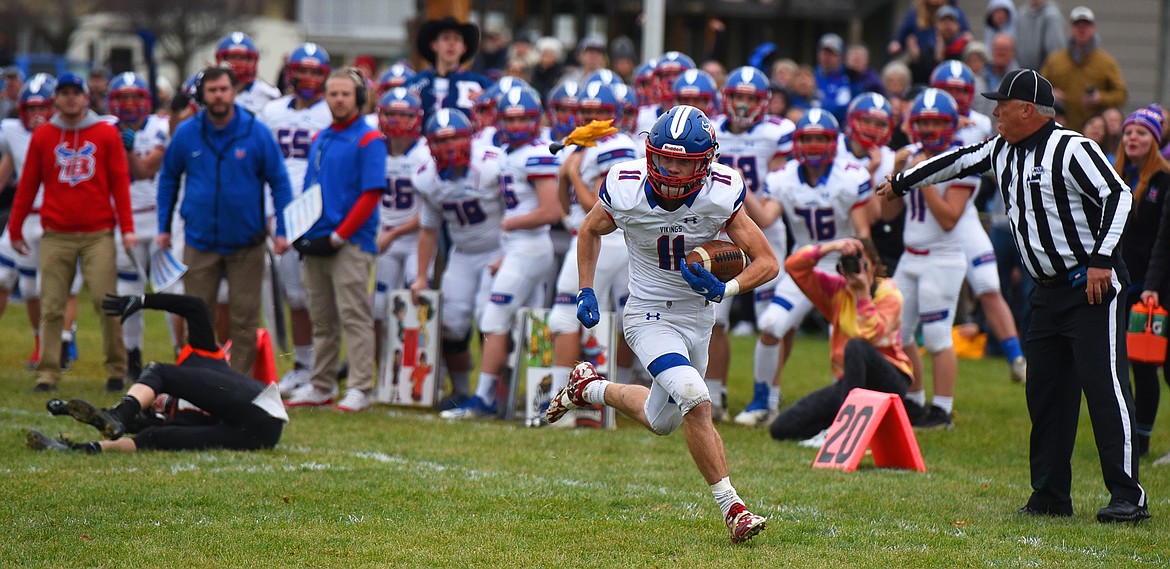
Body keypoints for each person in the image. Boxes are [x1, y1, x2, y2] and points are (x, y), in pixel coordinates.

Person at [878, 68, 1149, 523]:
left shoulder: (1073, 147)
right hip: (1044, 292)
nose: (994, 111)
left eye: (1001, 104)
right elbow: (957, 161)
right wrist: (903, 181)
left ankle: (1128, 495)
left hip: (1090, 285)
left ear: (1028, 110)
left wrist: (1102, 259)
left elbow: (1119, 198)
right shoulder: (1002, 148)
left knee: (1105, 389)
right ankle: (1049, 494)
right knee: (1044, 394)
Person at [546, 104, 777, 543]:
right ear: (650, 152)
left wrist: (725, 290)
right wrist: (585, 287)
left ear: (705, 162)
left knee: (663, 420)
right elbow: (590, 230)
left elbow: (767, 262)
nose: (670, 168)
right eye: (664, 157)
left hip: (698, 315)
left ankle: (587, 388)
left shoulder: (720, 192)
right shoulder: (625, 186)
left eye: (683, 161)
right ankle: (734, 509)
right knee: (695, 396)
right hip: (648, 314)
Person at [156, 66, 294, 377]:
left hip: (247, 243)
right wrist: (164, 228)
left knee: (244, 319)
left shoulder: (256, 132)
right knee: (198, 315)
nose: (218, 96)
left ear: (234, 92)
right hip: (200, 240)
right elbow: (168, 179)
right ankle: (199, 384)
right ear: (202, 95)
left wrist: (283, 231)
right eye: (212, 90)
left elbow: (280, 182)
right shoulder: (187, 133)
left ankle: (237, 386)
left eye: (224, 89)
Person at [738, 109, 873, 427]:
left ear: (833, 142)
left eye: (819, 139)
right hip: (804, 267)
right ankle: (764, 402)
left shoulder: (851, 175)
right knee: (771, 326)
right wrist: (740, 189)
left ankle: (849, 411)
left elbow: (862, 232)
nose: (813, 146)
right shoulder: (783, 177)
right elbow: (767, 218)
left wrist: (865, 273)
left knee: (845, 343)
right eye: (807, 139)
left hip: (842, 268)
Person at [26, 293, 287, 453]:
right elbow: (144, 430)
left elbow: (194, 306)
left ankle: (119, 412)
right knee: (155, 437)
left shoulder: (201, 358)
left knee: (157, 369)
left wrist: (144, 301)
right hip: (257, 436)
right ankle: (78, 450)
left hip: (259, 405)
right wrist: (67, 409)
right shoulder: (164, 415)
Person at [7, 72, 136, 392]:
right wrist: (15, 225)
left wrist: (127, 228)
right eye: (63, 93)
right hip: (56, 232)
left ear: (85, 96)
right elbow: (27, 185)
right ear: (56, 99)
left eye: (75, 92)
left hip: (98, 232)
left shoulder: (106, 134)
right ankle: (48, 372)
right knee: (51, 304)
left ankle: (117, 368)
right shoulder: (43, 136)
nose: (70, 98)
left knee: (106, 301)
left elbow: (120, 183)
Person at [440, 86, 562, 420]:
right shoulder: (509, 153)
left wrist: (511, 223)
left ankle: (485, 399)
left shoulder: (535, 155)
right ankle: (519, 398)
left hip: (532, 248)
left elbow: (551, 211)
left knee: (496, 318)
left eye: (524, 118)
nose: (518, 124)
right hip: (518, 250)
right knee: (515, 322)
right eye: (511, 118)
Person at [283, 70, 387, 412]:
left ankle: (360, 386)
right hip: (318, 239)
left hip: (351, 242)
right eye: (332, 94)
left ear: (358, 98)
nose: (338, 100)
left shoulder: (370, 139)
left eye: (345, 94)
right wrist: (301, 232)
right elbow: (312, 191)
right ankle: (321, 383)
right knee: (322, 318)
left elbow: (371, 194)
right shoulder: (322, 138)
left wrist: (340, 235)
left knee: (354, 315)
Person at [882, 89, 977, 429]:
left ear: (951, 124)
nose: (931, 128)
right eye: (924, 122)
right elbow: (887, 212)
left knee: (937, 336)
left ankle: (943, 409)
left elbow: (950, 217)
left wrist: (920, 179)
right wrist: (896, 173)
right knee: (899, 334)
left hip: (944, 257)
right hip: (911, 257)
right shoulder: (909, 156)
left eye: (938, 121)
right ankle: (915, 399)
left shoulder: (962, 160)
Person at [929, 61, 1028, 383]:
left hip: (964, 210)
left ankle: (1016, 358)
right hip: (926, 217)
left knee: (988, 284)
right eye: (949, 89)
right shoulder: (921, 114)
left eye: (960, 90)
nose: (955, 96)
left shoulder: (981, 122)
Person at [546, 82, 638, 423]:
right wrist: (564, 174)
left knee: (564, 317)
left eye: (599, 112)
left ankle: (562, 405)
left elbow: (603, 210)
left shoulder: (616, 146)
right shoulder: (583, 147)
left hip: (605, 239)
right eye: (585, 112)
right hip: (585, 238)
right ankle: (604, 400)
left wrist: (573, 174)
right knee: (610, 319)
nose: (590, 118)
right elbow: (563, 208)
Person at [711, 66, 793, 421]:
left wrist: (742, 189)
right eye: (738, 97)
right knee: (714, 317)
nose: (743, 105)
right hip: (720, 230)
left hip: (763, 230)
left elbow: (774, 195)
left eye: (750, 98)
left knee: (772, 319)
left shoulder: (778, 132)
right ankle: (714, 394)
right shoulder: (710, 128)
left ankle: (768, 396)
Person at [769, 238, 912, 441]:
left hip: (890, 381)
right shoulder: (838, 291)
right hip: (850, 383)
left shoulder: (890, 294)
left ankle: (843, 429)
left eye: (860, 262)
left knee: (856, 346)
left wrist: (863, 294)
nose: (855, 269)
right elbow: (794, 266)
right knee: (782, 428)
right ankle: (834, 426)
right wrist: (832, 247)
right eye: (848, 264)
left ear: (874, 265)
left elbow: (870, 335)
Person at [410, 108, 505, 410]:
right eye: (440, 141)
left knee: (488, 319)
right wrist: (422, 275)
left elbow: (515, 208)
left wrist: (509, 254)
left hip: (498, 248)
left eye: (455, 139)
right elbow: (428, 230)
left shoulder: (493, 164)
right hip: (462, 254)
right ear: (429, 145)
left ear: (470, 138)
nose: (448, 148)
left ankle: (493, 395)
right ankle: (461, 391)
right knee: (450, 323)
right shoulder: (426, 178)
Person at [259, 43, 334, 397]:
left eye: (315, 71)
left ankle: (323, 366)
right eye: (301, 70)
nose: (307, 78)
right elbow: (261, 164)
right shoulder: (272, 111)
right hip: (282, 211)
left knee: (321, 295)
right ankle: (303, 364)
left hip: (319, 212)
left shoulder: (332, 111)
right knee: (294, 295)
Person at [0, 74, 86, 371]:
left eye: (42, 107)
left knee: (59, 287)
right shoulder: (12, 131)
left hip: (58, 218)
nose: (36, 115)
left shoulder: (74, 129)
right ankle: (42, 344)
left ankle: (62, 340)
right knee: (17, 283)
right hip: (24, 217)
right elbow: (9, 164)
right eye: (30, 108)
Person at [108, 72, 177, 377]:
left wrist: (128, 150)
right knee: (128, 291)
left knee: (172, 291)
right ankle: (132, 355)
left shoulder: (159, 127)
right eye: (123, 98)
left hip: (158, 218)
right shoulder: (105, 129)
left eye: (135, 97)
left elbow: (146, 171)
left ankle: (182, 353)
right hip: (125, 220)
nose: (130, 104)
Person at [1112, 105, 1170, 458]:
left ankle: (1143, 438)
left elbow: (1162, 239)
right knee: (1120, 363)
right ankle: (1127, 433)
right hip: (1118, 281)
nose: (1133, 137)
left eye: (1142, 133)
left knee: (1146, 363)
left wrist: (1153, 282)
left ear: (1155, 140)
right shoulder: (1113, 174)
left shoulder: (1164, 181)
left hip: (1151, 286)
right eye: (1129, 131)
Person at [371, 88, 430, 380]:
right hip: (383, 240)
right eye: (391, 114)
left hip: (415, 241)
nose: (396, 120)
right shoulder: (373, 149)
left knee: (416, 309)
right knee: (378, 309)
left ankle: (421, 372)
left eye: (404, 115)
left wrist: (393, 233)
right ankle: (383, 372)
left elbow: (430, 212)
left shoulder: (425, 153)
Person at [1040, 7, 1127, 137]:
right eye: (1077, 25)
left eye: (1086, 25)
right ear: (1070, 29)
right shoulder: (1055, 60)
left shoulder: (1106, 62)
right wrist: (1050, 93)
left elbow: (1121, 94)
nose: (1082, 29)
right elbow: (1038, 88)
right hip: (1058, 129)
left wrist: (1100, 98)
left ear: (1093, 29)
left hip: (1093, 133)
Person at [405, 17, 492, 125]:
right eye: (446, 38)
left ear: (464, 47)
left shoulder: (480, 84)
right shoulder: (416, 83)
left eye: (457, 39)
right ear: (434, 45)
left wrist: (486, 99)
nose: (451, 44)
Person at [215, 32, 282, 115]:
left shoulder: (268, 93)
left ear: (251, 61)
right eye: (232, 57)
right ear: (222, 60)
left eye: (242, 58)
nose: (237, 62)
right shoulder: (206, 88)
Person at [1014, 0, 1065, 71]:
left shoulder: (1052, 16)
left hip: (1043, 73)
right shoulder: (1022, 14)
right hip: (1023, 70)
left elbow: (1054, 49)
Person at [814, 33, 854, 124]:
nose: (827, 57)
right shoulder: (811, 76)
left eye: (832, 54)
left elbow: (844, 109)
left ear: (841, 57)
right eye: (824, 53)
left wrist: (818, 104)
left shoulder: (848, 79)